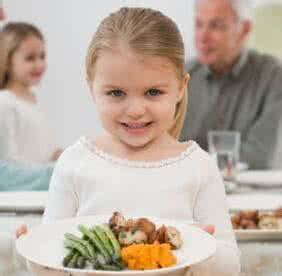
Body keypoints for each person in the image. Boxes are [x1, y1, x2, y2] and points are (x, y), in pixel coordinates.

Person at [17, 7, 240, 275]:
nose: (135, 109)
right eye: (116, 93)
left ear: (181, 88)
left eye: (153, 92)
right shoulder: (75, 163)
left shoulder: (199, 167)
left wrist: (200, 249)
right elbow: (54, 261)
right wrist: (34, 257)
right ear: (92, 88)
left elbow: (231, 266)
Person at [181, 0, 282, 169]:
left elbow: (261, 158)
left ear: (245, 29)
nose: (203, 37)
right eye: (199, 24)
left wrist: (184, 160)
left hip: (252, 194)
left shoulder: (274, 78)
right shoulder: (180, 77)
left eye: (216, 26)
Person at [0, 22, 61, 165]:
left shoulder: (33, 102)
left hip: (39, 185)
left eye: (42, 56)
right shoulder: (4, 102)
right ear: (7, 62)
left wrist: (57, 155)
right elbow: (7, 164)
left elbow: (39, 149)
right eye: (30, 58)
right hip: (23, 187)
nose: (39, 64)